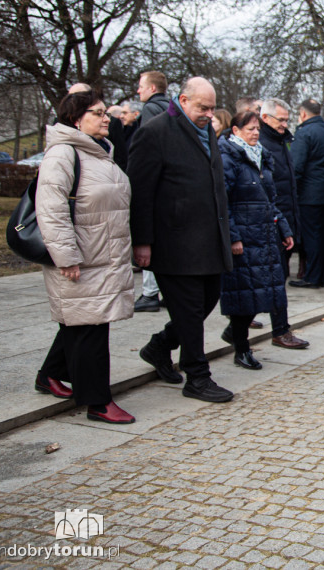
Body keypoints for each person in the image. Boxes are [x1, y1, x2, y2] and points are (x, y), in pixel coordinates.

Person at [129, 77, 235, 403]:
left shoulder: (205, 130)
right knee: (189, 309)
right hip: (174, 240)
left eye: (212, 107)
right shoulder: (155, 132)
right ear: (184, 100)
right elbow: (140, 192)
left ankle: (160, 346)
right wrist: (142, 241)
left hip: (208, 238)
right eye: (203, 107)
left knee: (207, 301)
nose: (209, 113)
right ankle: (197, 377)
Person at [35, 89, 135, 424]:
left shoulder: (98, 152)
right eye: (98, 112)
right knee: (91, 329)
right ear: (76, 118)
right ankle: (97, 402)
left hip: (102, 255)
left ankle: (48, 374)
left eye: (106, 112)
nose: (106, 117)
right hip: (80, 258)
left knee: (81, 322)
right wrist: (66, 256)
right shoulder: (63, 154)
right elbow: (50, 210)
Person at [217, 111, 296, 370]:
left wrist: (284, 229)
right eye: (249, 128)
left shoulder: (261, 156)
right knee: (244, 295)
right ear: (235, 130)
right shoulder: (229, 157)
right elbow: (222, 202)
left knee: (265, 292)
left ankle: (235, 334)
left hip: (263, 235)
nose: (254, 133)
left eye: (256, 129)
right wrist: (233, 237)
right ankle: (241, 348)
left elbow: (270, 199)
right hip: (243, 237)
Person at [256, 99, 309, 349]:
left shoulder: (282, 142)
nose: (285, 124)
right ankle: (280, 330)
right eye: (281, 120)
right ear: (265, 118)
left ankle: (273, 328)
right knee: (273, 279)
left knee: (277, 277)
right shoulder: (262, 144)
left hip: (285, 219)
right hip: (270, 221)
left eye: (288, 120)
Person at [290, 98, 324, 288]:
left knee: (311, 236)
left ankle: (312, 277)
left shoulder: (304, 133)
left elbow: (296, 166)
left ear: (303, 114)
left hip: (309, 195)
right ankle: (322, 276)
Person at [132, 71, 171, 312]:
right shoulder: (172, 109)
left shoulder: (150, 110)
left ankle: (149, 294)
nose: (138, 91)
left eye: (141, 86)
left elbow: (147, 148)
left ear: (153, 88)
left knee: (152, 241)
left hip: (156, 184)